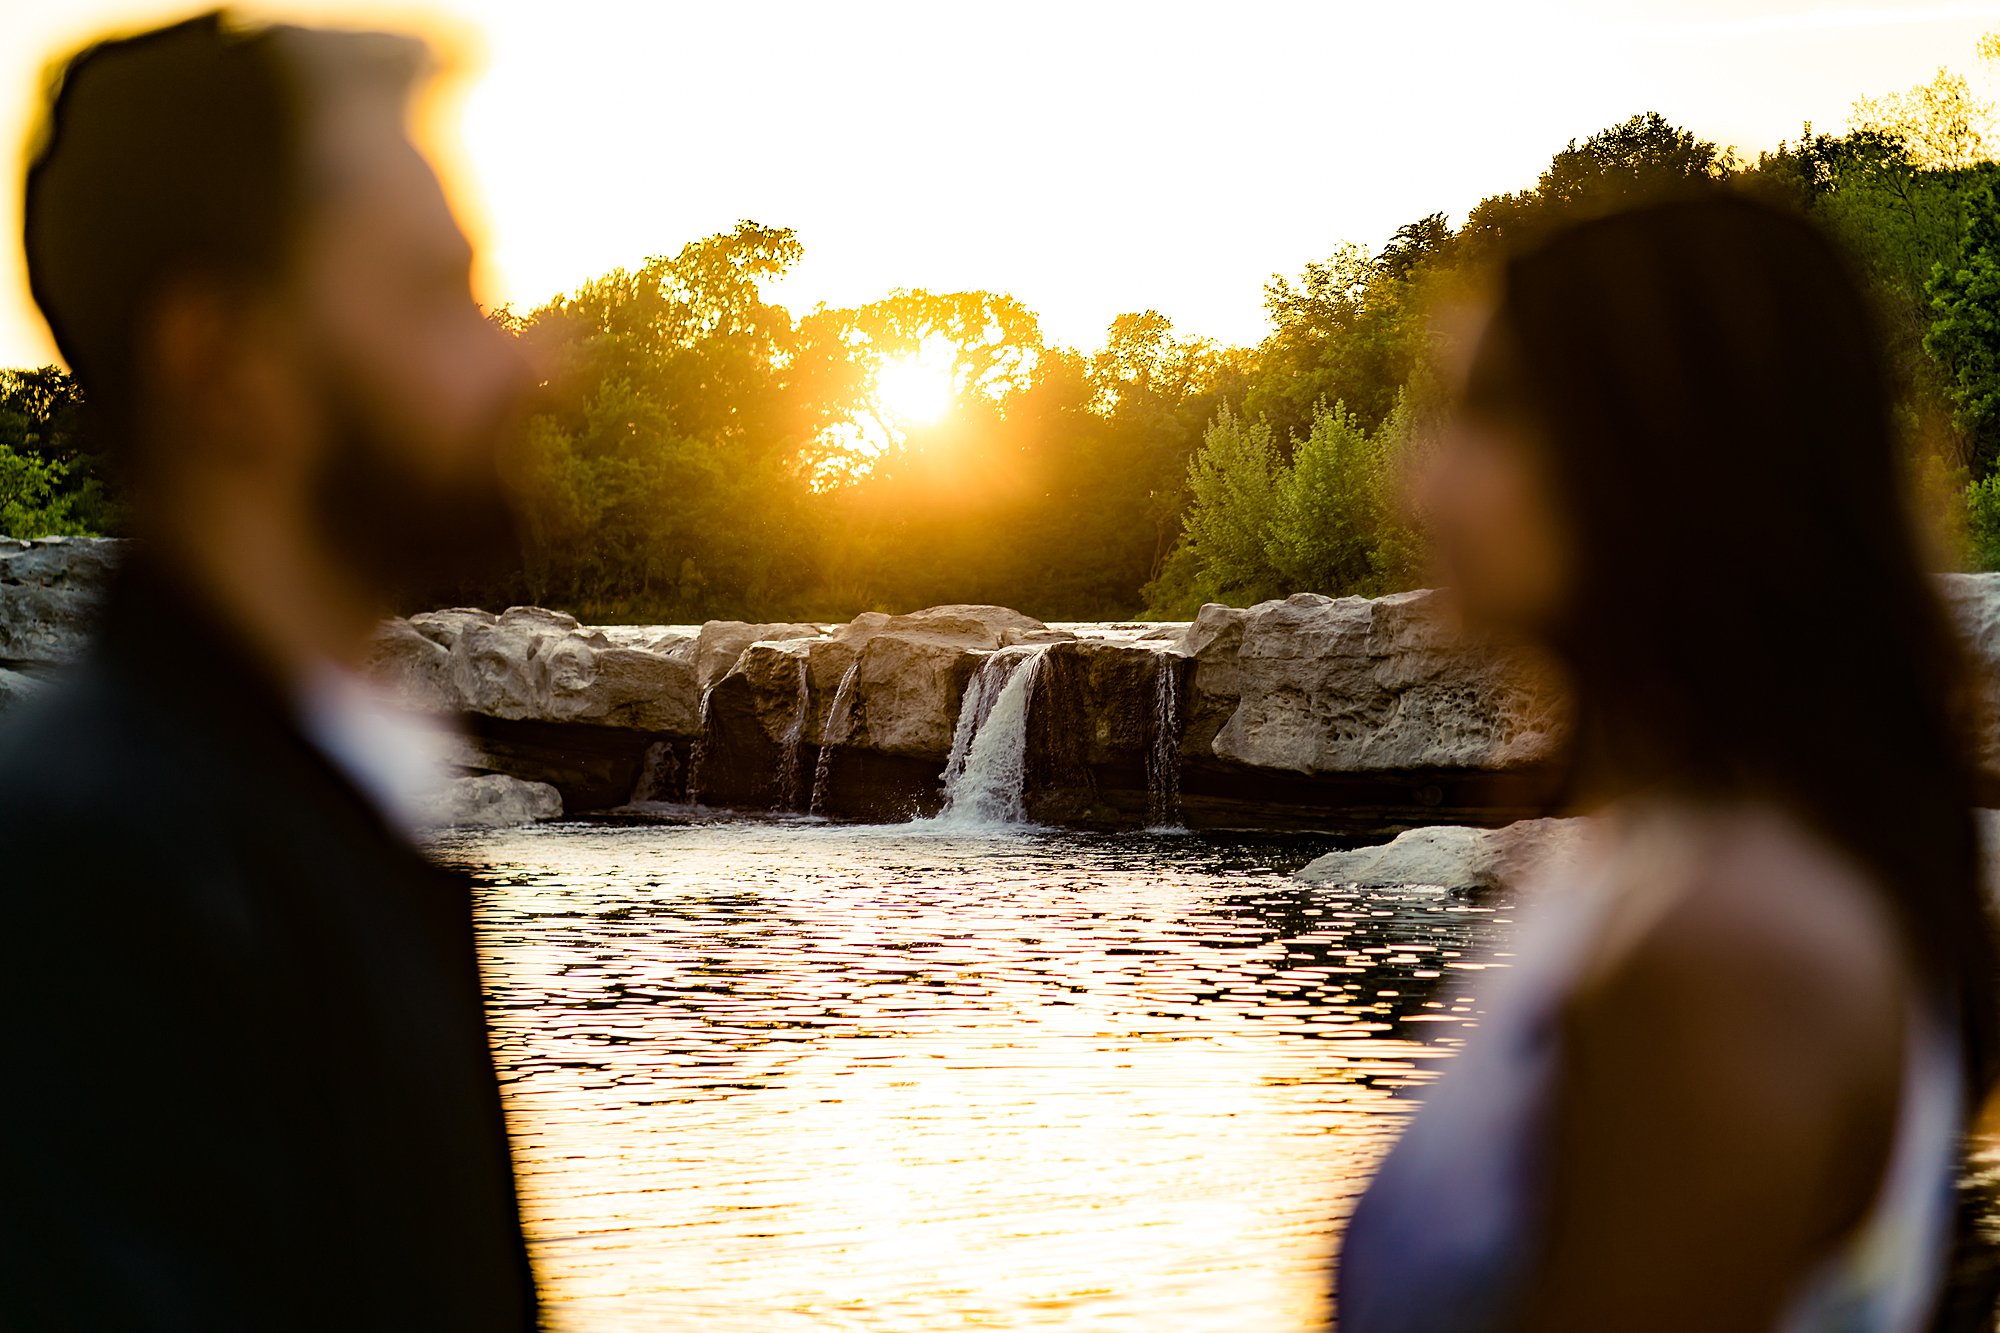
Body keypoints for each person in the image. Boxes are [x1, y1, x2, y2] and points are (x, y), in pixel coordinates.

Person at [1336, 193, 2000, 1332]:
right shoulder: (1664, 863)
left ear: (1661, 447)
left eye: (1490, 413)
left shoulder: (1729, 944)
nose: (1423, 487)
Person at [0, 12, 539, 1327]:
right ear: (226, 365)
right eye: (434, 297)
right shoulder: (91, 888)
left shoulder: (274, 820)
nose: (523, 362)